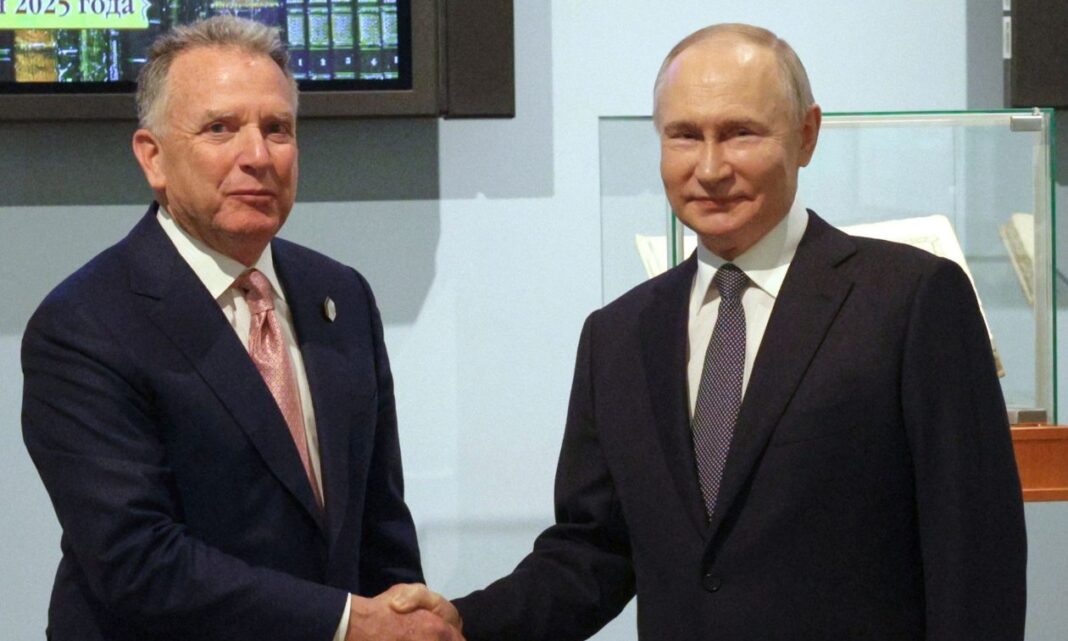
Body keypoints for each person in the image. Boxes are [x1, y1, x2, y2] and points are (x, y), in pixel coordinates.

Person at [397, 22, 1027, 641]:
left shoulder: (911, 300)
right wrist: (464, 623)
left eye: (739, 133)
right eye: (684, 135)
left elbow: (976, 553)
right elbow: (594, 552)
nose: (710, 167)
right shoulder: (617, 336)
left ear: (806, 135)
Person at [21, 16, 461, 641]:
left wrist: (402, 615)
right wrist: (347, 623)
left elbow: (378, 519)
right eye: (220, 128)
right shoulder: (85, 324)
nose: (258, 156)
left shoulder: (341, 295)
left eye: (277, 129)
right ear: (153, 157)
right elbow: (136, 561)